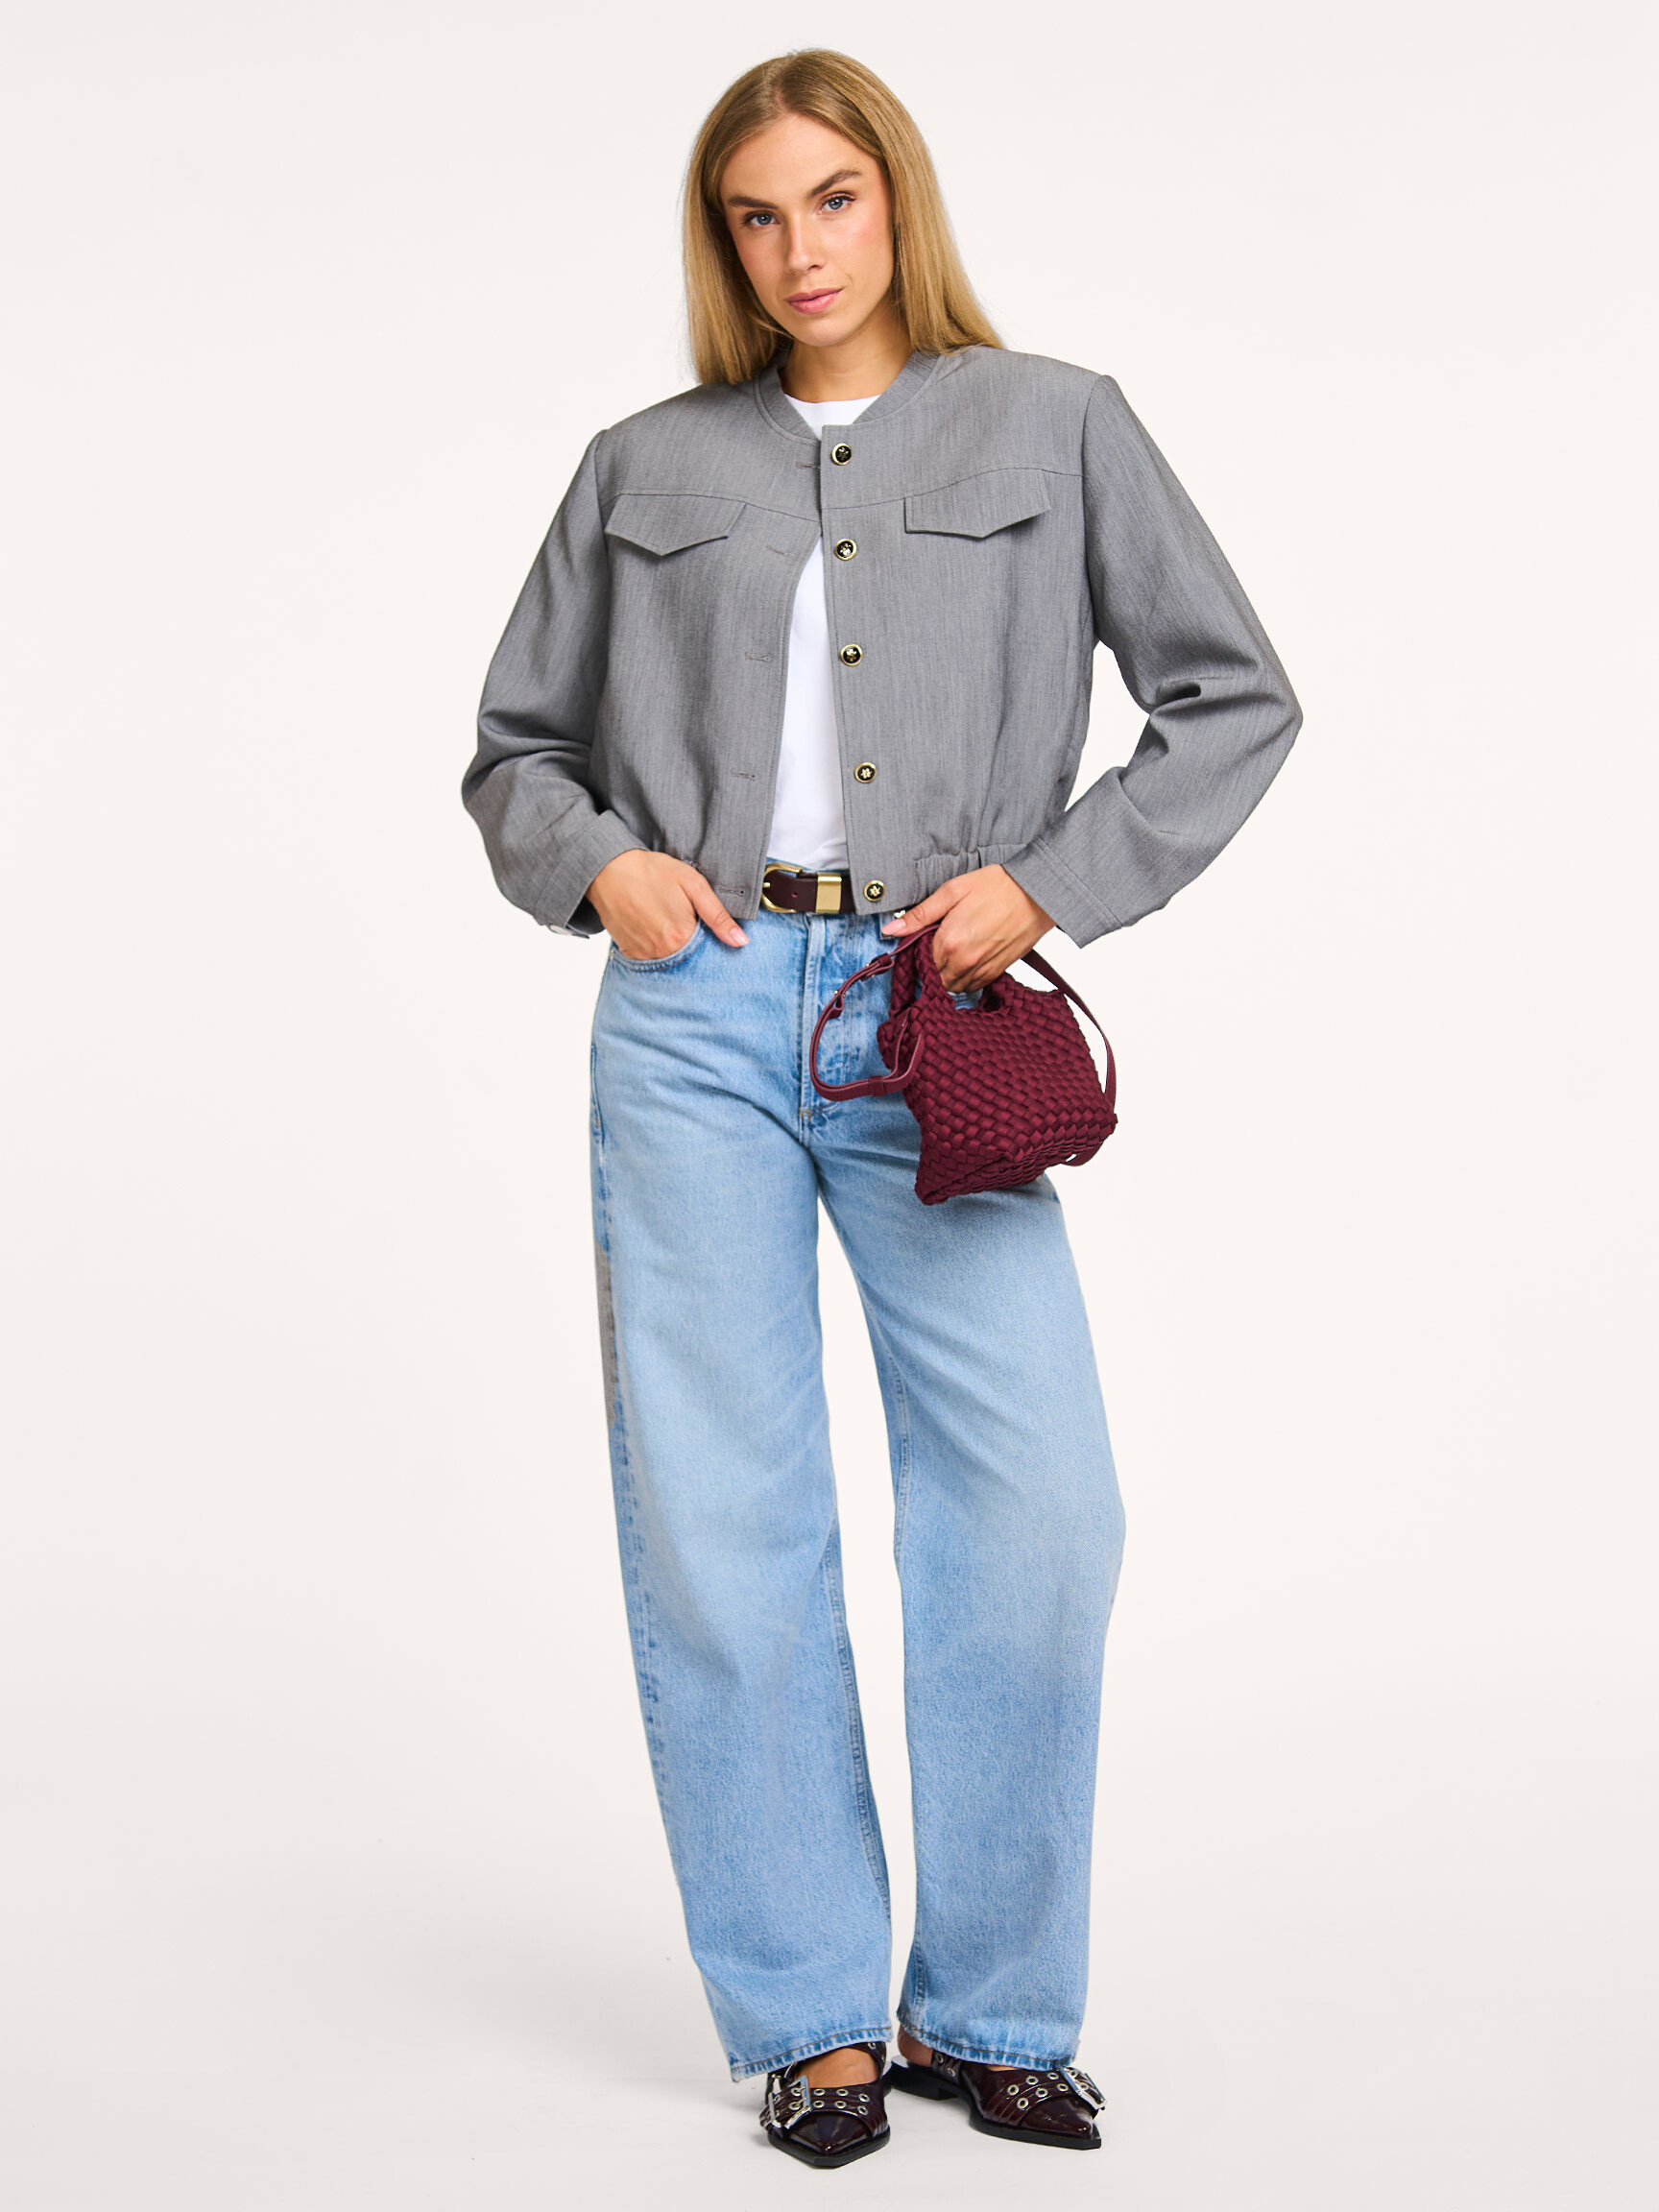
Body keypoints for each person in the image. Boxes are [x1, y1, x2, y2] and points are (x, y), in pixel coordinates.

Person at [462, 48, 1300, 2170]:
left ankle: (994, 2013)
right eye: (754, 214)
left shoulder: (1058, 423)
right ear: (720, 240)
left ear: (896, 198)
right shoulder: (642, 463)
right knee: (726, 1523)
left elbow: (1233, 698)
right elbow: (515, 753)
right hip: (698, 1011)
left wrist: (1052, 884)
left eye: (831, 198)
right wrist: (602, 866)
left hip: (933, 1008)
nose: (798, 248)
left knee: (1038, 1507)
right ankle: (814, 2020)